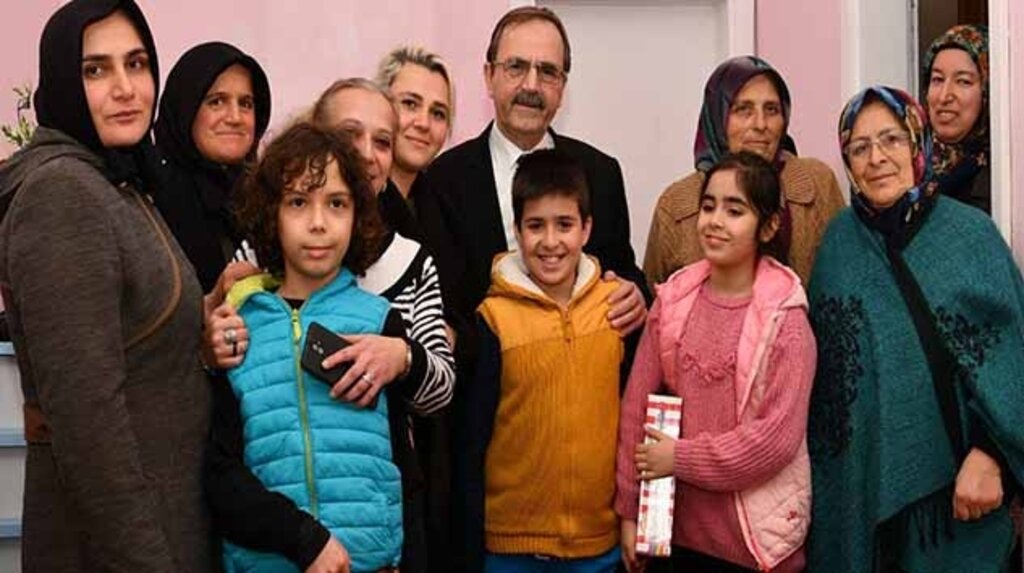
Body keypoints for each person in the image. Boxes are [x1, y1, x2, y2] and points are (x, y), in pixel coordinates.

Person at [207, 78, 455, 573]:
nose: (318, 223)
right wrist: (302, 539)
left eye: (337, 204)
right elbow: (220, 472)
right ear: (272, 213)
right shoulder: (242, 317)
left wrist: (403, 356)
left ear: (358, 214)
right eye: (299, 202)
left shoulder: (380, 317)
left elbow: (405, 463)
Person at [0, 1, 215, 570]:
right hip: (121, 547)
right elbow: (88, 426)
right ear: (62, 81)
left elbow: (134, 335)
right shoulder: (63, 194)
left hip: (160, 522)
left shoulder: (117, 179)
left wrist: (204, 315)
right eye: (95, 69)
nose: (125, 88)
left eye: (136, 64)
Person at [806, 86, 1024, 572]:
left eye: (891, 139)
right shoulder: (838, 246)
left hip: (965, 496)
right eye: (859, 147)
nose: (876, 158)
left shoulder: (970, 235)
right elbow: (827, 395)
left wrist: (992, 453)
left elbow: (1014, 355)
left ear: (918, 143)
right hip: (864, 502)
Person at [616, 152, 815, 573]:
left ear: (769, 226)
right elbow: (636, 409)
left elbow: (775, 441)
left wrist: (680, 458)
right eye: (709, 207)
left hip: (758, 549)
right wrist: (630, 512)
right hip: (676, 540)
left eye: (734, 210)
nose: (715, 221)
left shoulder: (787, 321)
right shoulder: (673, 300)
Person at [416, 6, 649, 347]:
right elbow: (443, 306)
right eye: (516, 67)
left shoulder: (601, 173)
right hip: (484, 375)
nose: (531, 85)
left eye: (548, 72)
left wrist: (636, 294)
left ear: (563, 86)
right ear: (489, 77)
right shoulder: (442, 181)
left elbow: (622, 270)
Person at [455, 149, 626, 573]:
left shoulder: (615, 309)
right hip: (510, 548)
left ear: (587, 228)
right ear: (516, 231)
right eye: (535, 226)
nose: (550, 242)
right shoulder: (493, 319)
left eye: (564, 224)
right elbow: (473, 439)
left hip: (598, 546)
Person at [643, 55, 844, 288]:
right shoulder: (676, 204)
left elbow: (846, 274)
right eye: (743, 110)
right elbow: (655, 299)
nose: (760, 124)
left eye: (771, 109)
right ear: (717, 117)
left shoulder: (817, 182)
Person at [153, 41, 271, 292]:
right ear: (186, 110)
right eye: (217, 102)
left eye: (246, 104)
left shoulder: (268, 196)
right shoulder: (150, 197)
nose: (235, 118)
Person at [922, 24, 990, 214]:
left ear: (986, 93)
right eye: (937, 79)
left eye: (963, 81)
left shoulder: (1004, 178)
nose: (944, 96)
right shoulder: (903, 166)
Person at [375, 45, 454, 207]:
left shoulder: (447, 209)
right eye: (410, 104)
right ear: (380, 104)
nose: (424, 124)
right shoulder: (351, 201)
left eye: (438, 113)